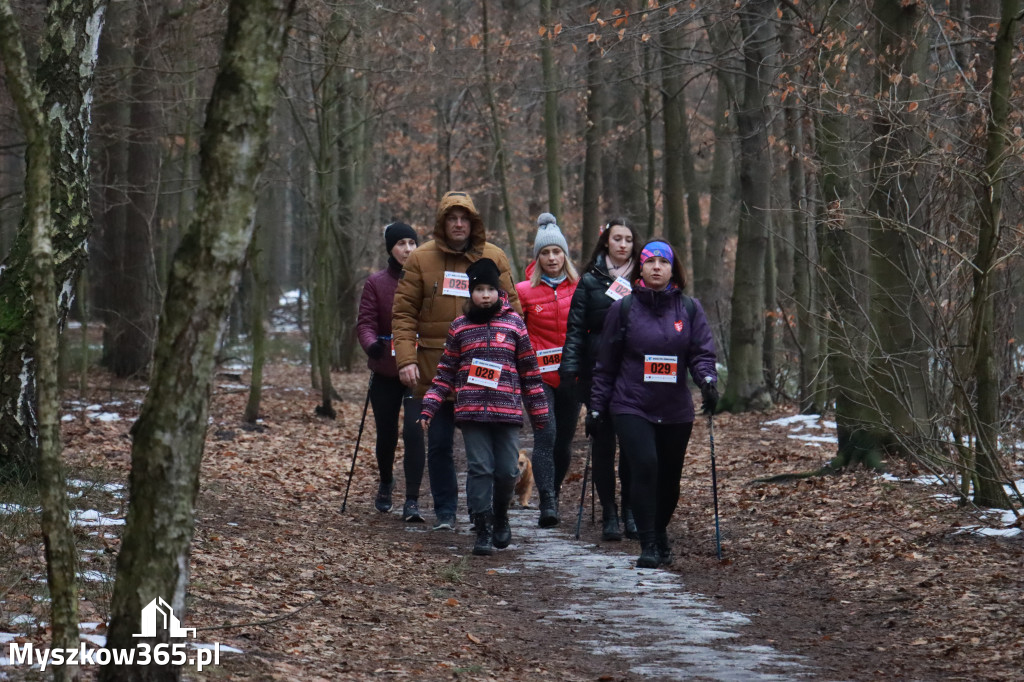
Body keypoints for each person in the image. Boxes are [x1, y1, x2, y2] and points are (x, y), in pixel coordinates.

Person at [392, 191, 521, 531]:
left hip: (486, 376)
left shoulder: (494, 256)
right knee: (438, 445)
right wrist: (406, 359)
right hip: (434, 369)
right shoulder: (420, 259)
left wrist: (516, 365)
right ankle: (446, 511)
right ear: (442, 223)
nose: (459, 224)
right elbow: (403, 314)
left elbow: (514, 313)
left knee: (493, 457)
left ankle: (494, 514)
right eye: (452, 218)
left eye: (464, 218)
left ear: (473, 222)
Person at [589, 239, 719, 568]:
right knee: (645, 466)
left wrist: (707, 382)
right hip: (631, 404)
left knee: (670, 476)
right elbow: (606, 364)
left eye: (663, 262)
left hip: (675, 408)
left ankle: (659, 531)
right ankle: (647, 541)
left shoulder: (689, 309)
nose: (656, 267)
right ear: (641, 268)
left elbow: (701, 353)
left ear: (673, 269)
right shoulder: (624, 308)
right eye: (650, 262)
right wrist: (596, 407)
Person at [419, 258, 549, 556]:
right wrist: (429, 406)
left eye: (491, 288)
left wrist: (540, 413)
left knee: (506, 470)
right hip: (471, 412)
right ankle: (482, 525)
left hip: (507, 412)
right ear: (470, 293)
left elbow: (529, 372)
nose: (486, 295)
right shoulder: (460, 328)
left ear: (499, 291)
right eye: (479, 289)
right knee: (480, 468)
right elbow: (445, 372)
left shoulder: (514, 323)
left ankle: (501, 514)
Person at [559, 218, 641, 541]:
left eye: (628, 239)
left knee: (633, 446)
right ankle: (609, 512)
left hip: (635, 375)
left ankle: (630, 511)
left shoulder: (645, 278)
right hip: (597, 373)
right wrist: (570, 369)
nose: (622, 244)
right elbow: (575, 328)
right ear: (606, 242)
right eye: (617, 238)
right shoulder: (589, 280)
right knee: (604, 445)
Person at [355, 222, 426, 521]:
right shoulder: (376, 283)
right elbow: (366, 322)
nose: (407, 249)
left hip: (418, 370)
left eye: (412, 243)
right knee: (386, 434)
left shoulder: (427, 280)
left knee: (414, 432)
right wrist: (371, 345)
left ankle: (412, 499)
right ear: (390, 248)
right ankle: (386, 481)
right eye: (401, 244)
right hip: (385, 369)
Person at [515, 212, 579, 527]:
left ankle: (551, 490)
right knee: (546, 434)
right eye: (545, 253)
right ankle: (548, 504)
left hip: (571, 375)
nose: (552, 258)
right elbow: (514, 331)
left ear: (564, 255)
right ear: (537, 258)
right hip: (538, 376)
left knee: (565, 440)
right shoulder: (523, 291)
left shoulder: (580, 287)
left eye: (556, 252)